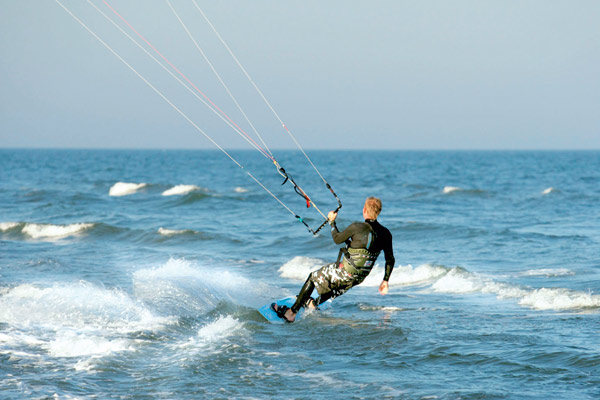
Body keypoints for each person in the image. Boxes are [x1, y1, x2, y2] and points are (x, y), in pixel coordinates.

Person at [273, 196, 395, 322]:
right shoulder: (386, 234)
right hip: (359, 277)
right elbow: (390, 259)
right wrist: (385, 280)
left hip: (346, 272)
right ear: (378, 212)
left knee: (313, 277)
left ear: (364, 210)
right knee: (336, 287)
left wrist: (332, 222)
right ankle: (313, 303)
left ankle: (291, 313)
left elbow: (337, 239)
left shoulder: (356, 227)